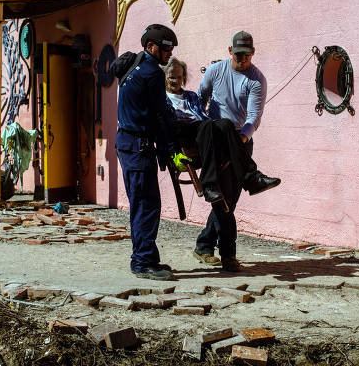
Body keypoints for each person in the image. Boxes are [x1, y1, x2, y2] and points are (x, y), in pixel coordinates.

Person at [193, 31, 277, 272]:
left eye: (248, 55)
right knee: (224, 200)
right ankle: (228, 255)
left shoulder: (256, 79)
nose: (243, 58)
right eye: (239, 54)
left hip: (240, 139)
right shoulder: (215, 71)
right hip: (215, 140)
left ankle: (205, 244)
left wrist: (238, 141)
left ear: (253, 53)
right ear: (230, 51)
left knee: (227, 199)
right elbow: (200, 101)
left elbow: (254, 118)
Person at [115, 24, 192, 281]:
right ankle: (142, 262)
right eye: (166, 48)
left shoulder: (133, 65)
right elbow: (160, 117)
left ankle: (148, 256)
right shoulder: (152, 74)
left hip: (128, 144)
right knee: (146, 205)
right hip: (138, 146)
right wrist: (173, 152)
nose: (170, 54)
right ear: (151, 47)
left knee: (142, 204)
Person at [163, 57, 280, 207]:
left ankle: (251, 177)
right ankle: (210, 184)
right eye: (172, 76)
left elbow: (203, 115)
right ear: (164, 77)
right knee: (208, 126)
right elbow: (165, 126)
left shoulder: (191, 96)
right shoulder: (163, 99)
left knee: (225, 124)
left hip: (203, 131)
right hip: (183, 135)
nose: (176, 80)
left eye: (179, 77)